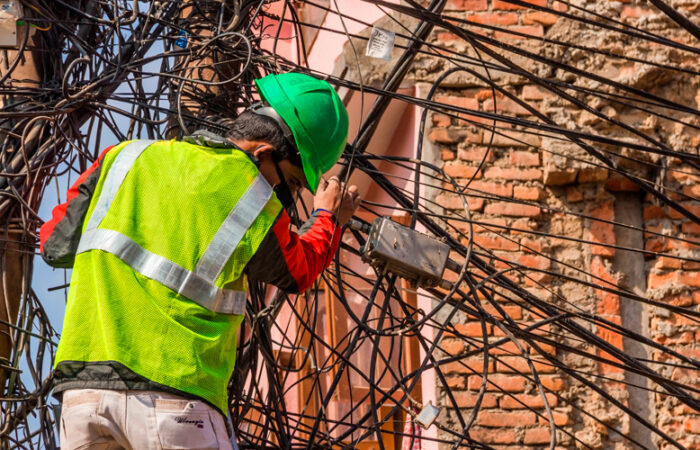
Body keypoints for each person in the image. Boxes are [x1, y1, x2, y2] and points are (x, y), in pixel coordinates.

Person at [40, 72, 360, 449]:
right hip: (173, 395)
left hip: (83, 399)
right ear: (261, 152)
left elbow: (54, 242)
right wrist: (328, 219)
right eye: (289, 182)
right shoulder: (250, 191)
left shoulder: (123, 157)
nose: (282, 196)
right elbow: (298, 271)